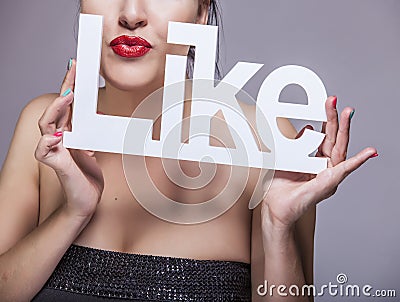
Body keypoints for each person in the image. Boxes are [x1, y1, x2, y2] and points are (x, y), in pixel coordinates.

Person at [0, 0, 378, 301]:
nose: (131, 14)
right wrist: (72, 213)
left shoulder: (265, 142)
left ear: (201, 12)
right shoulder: (45, 129)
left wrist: (277, 226)